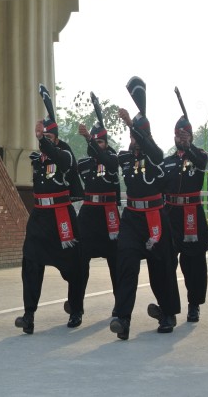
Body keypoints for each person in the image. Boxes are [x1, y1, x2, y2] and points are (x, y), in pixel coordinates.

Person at [109, 105, 181, 340]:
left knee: (161, 269)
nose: (135, 141)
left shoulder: (156, 156)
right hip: (131, 218)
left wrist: (133, 125)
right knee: (126, 264)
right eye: (132, 136)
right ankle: (123, 318)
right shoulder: (125, 157)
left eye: (139, 136)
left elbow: (155, 154)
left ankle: (168, 313)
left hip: (155, 218)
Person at [14, 115, 84, 334]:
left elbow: (60, 159)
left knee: (74, 267)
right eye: (42, 137)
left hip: (61, 217)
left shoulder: (65, 156)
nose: (43, 140)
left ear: (56, 139)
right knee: (31, 264)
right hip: (39, 218)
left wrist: (41, 138)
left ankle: (75, 308)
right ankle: (29, 315)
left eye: (48, 137)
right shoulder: (37, 159)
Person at [163, 115, 208, 322]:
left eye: (185, 135)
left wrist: (189, 146)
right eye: (178, 135)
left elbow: (206, 165)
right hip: (170, 214)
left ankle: (194, 304)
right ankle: (168, 306)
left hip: (192, 214)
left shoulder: (200, 156)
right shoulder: (167, 161)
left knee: (194, 264)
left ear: (191, 137)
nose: (181, 138)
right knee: (165, 262)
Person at [76, 120, 120, 317]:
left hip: (108, 215)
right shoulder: (84, 164)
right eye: (95, 142)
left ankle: (120, 304)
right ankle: (76, 306)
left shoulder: (112, 159)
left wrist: (88, 138)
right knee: (79, 261)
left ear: (106, 144)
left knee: (115, 263)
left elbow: (108, 162)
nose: (97, 146)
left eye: (100, 142)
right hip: (88, 215)